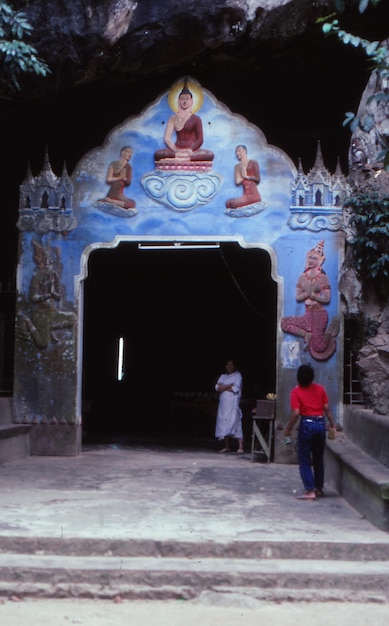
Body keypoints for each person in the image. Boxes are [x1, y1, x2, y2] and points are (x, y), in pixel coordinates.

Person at [283, 363, 336, 500]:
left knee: (304, 459)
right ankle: (319, 489)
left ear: (298, 378)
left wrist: (288, 428)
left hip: (307, 424)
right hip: (320, 424)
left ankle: (310, 490)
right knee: (318, 459)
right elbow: (326, 409)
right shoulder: (320, 389)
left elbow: (296, 413)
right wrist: (332, 425)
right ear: (312, 377)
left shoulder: (296, 392)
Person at [280, 241, 339, 360]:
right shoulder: (302, 277)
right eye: (309, 257)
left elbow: (327, 298)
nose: (311, 260)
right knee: (284, 323)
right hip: (307, 315)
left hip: (319, 314)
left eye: (314, 258)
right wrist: (308, 293)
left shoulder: (323, 277)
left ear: (321, 260)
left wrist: (313, 296)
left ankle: (331, 330)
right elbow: (298, 297)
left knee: (319, 348)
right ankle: (306, 334)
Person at [154, 80, 214, 164]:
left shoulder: (196, 119)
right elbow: (167, 138)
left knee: (209, 154)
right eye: (182, 99)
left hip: (191, 151)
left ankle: (180, 159)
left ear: (191, 101)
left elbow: (200, 139)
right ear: (178, 101)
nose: (184, 101)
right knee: (158, 154)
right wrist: (176, 150)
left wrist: (190, 149)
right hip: (177, 149)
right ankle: (182, 158)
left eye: (187, 99)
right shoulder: (173, 118)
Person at [215, 359, 244, 453]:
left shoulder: (237, 376)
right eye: (228, 365)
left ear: (235, 366)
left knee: (235, 422)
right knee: (223, 423)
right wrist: (228, 386)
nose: (229, 366)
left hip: (232, 404)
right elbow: (217, 388)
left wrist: (223, 387)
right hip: (223, 405)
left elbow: (235, 389)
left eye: (231, 365)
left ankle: (240, 446)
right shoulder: (222, 376)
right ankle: (226, 446)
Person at [225, 145, 261, 209]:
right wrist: (243, 176)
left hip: (252, 194)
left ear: (244, 151)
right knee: (228, 203)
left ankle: (254, 199)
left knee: (233, 204)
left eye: (239, 151)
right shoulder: (237, 166)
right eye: (236, 152)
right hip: (245, 193)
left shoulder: (253, 162)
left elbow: (257, 179)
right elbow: (237, 181)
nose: (237, 153)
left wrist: (247, 177)